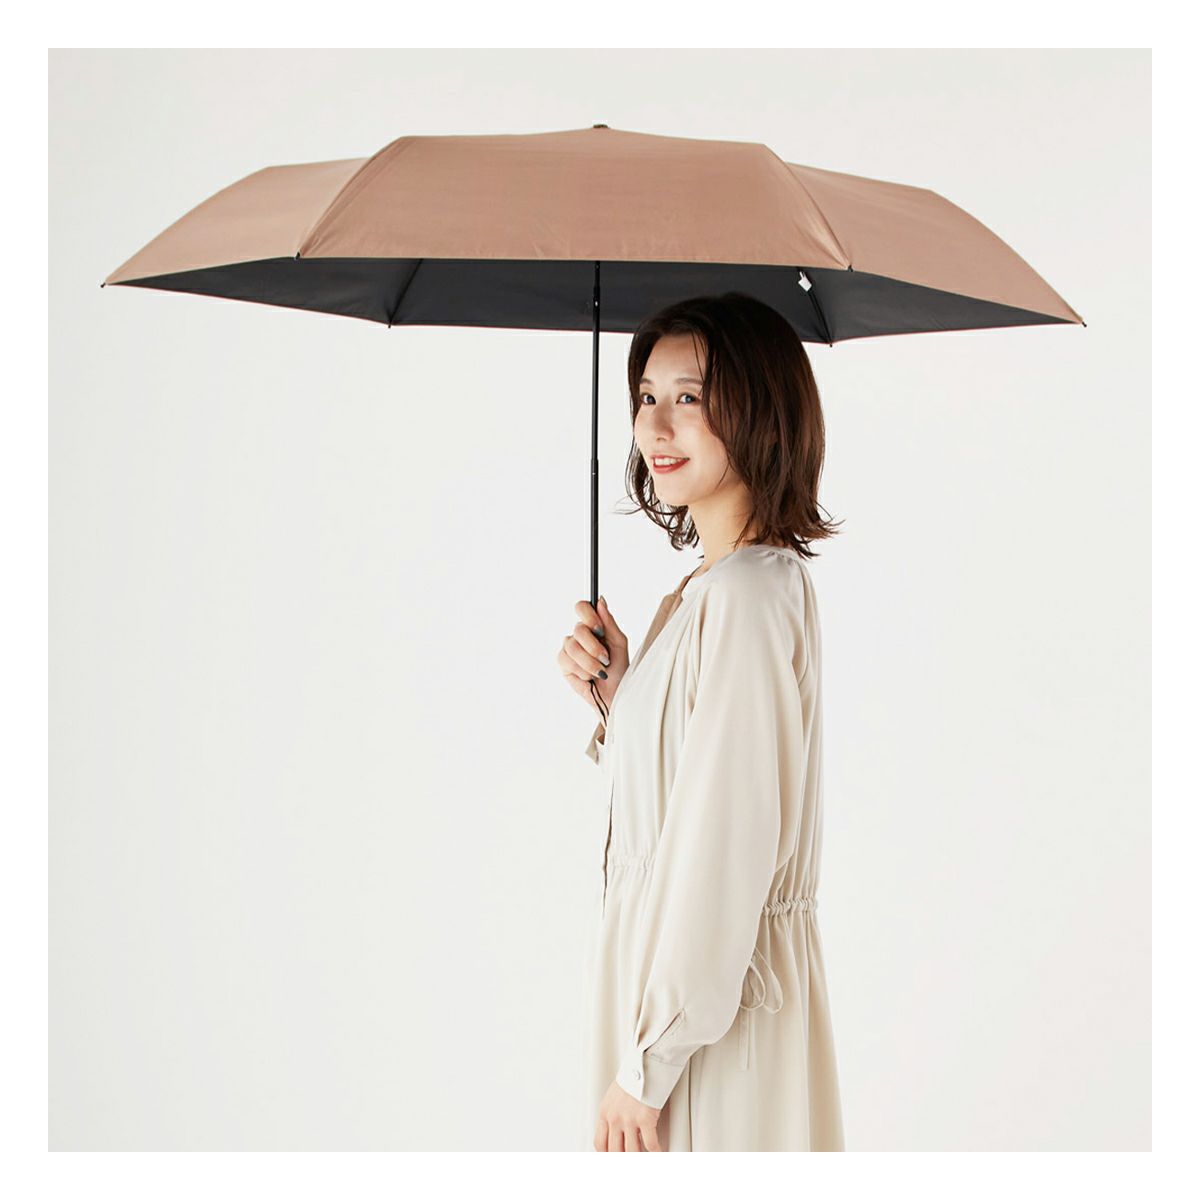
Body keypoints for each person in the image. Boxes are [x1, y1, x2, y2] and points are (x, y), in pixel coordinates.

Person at [557, 292, 845, 1151]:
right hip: (679, 1001)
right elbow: (685, 793)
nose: (655, 425)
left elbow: (725, 844)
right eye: (647, 396)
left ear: (759, 409)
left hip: (710, 1020)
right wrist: (620, 696)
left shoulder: (746, 596)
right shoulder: (707, 592)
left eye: (690, 396)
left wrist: (651, 1059)